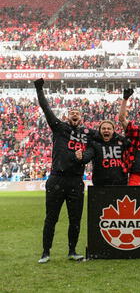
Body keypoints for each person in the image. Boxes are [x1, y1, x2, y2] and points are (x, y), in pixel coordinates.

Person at [34, 78, 88, 263]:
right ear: (67, 116)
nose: (74, 114)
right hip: (57, 178)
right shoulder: (58, 127)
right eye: (71, 112)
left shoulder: (87, 133)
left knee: (75, 219)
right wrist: (39, 88)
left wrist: (86, 155)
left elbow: (105, 139)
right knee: (51, 218)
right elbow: (46, 108)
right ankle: (46, 252)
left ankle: (72, 251)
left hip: (76, 181)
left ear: (81, 118)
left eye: (77, 113)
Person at [79, 120, 129, 186]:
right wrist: (81, 157)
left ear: (113, 130)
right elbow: (87, 156)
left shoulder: (121, 142)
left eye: (109, 128)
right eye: (103, 128)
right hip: (100, 184)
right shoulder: (94, 144)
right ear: (99, 131)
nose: (106, 130)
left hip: (120, 183)